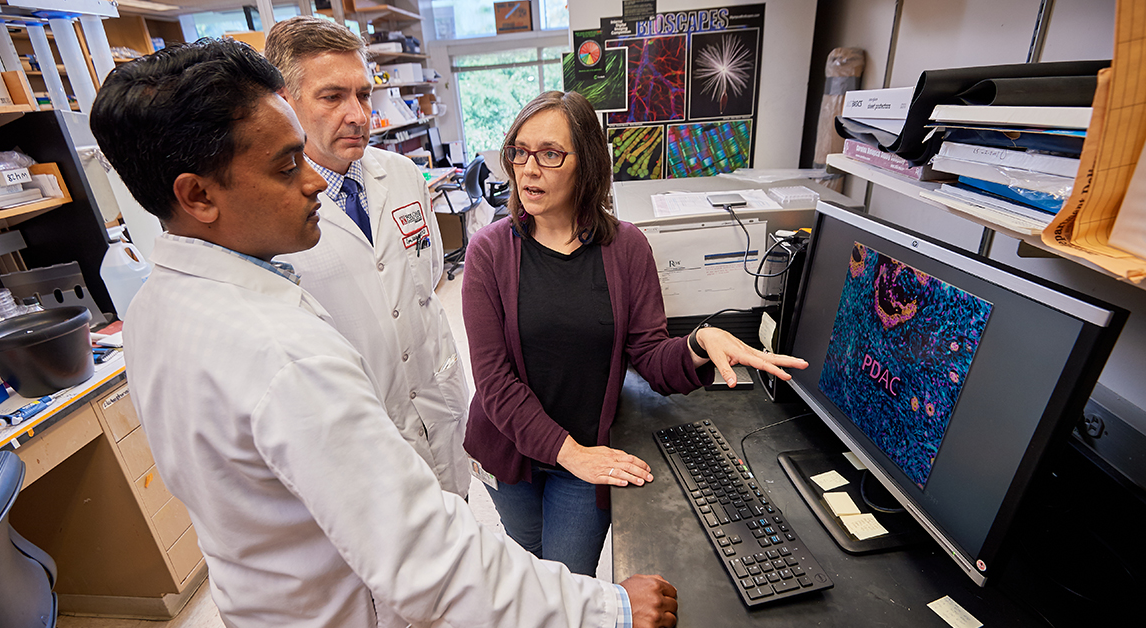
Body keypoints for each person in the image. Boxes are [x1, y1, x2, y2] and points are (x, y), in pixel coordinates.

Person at [92, 40, 677, 628]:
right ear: (197, 194)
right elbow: (426, 562)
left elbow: (419, 297)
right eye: (286, 164)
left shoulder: (154, 309)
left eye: (364, 94)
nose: (314, 182)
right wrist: (610, 608)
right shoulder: (282, 352)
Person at [462, 91, 808, 577]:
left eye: (550, 154)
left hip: (588, 457)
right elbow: (494, 383)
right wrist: (569, 453)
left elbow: (648, 353)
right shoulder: (489, 251)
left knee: (569, 586)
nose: (527, 169)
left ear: (588, 164)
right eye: (518, 152)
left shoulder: (626, 247)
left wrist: (699, 343)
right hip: (509, 450)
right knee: (525, 563)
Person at [264, 16, 470, 499]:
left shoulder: (401, 176)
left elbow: (430, 276)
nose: (359, 114)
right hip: (359, 439)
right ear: (283, 101)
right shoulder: (269, 214)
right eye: (333, 97)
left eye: (363, 94)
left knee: (458, 526)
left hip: (439, 407)